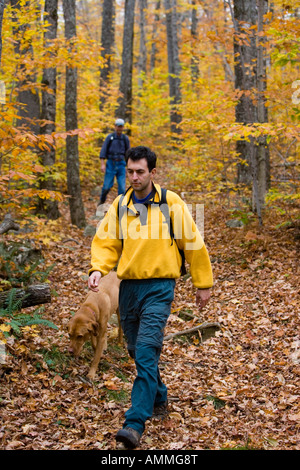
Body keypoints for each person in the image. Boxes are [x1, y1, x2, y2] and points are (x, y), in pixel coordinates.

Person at [88, 146, 213, 449]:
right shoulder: (120, 205)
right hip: (128, 287)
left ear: (153, 173)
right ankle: (158, 395)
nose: (134, 176)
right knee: (134, 348)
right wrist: (97, 269)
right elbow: (105, 242)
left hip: (160, 287)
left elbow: (192, 241)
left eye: (140, 171)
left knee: (146, 349)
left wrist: (202, 282)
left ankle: (134, 423)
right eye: (130, 171)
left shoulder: (170, 202)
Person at [98, 118, 130, 206]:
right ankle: (101, 201)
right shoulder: (110, 137)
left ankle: (120, 207)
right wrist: (102, 164)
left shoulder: (125, 138)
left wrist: (129, 166)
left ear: (123, 127)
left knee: (122, 189)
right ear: (115, 126)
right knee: (106, 187)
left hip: (121, 165)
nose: (119, 128)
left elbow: (128, 153)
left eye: (121, 126)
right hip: (110, 164)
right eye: (118, 126)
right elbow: (103, 150)